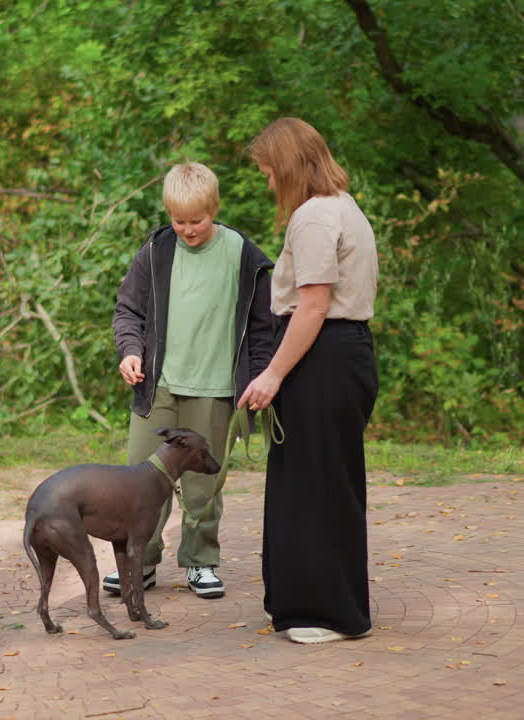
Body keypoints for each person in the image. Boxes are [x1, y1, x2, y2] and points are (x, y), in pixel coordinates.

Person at [238, 118, 379, 644]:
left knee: (314, 488)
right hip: (341, 356)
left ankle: (323, 613)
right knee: (325, 485)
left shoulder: (315, 217)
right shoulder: (346, 207)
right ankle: (327, 605)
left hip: (321, 358)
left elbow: (314, 305)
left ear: (291, 168)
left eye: (270, 173)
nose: (270, 184)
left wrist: (273, 374)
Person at [108, 161, 275, 599]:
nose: (187, 229)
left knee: (203, 485)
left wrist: (258, 379)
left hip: (217, 390)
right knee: (143, 480)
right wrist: (130, 351)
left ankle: (201, 562)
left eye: (196, 221)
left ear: (214, 209)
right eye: (177, 220)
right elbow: (129, 310)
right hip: (158, 387)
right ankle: (137, 565)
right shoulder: (156, 250)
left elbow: (263, 326)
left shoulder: (243, 255)